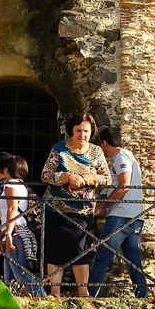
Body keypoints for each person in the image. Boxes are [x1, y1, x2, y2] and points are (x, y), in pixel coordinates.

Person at [40, 113, 111, 297]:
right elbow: (45, 175)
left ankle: (83, 292)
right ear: (71, 130)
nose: (82, 134)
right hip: (56, 209)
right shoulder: (59, 149)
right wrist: (65, 177)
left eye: (86, 131)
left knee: (80, 251)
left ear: (91, 132)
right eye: (78, 130)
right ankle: (55, 292)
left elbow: (107, 178)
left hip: (83, 210)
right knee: (55, 251)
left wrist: (90, 178)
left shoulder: (96, 152)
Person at [87, 128, 149, 298]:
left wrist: (101, 207)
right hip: (135, 216)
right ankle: (142, 296)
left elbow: (124, 185)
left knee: (101, 256)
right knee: (133, 261)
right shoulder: (127, 156)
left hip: (121, 215)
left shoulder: (121, 156)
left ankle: (89, 296)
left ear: (104, 143)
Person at [0, 154, 40, 297]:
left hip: (16, 233)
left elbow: (12, 210)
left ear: (6, 169)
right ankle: (10, 308)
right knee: (9, 278)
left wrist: (8, 235)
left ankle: (42, 298)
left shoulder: (10, 184)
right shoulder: (21, 185)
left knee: (20, 275)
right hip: (15, 232)